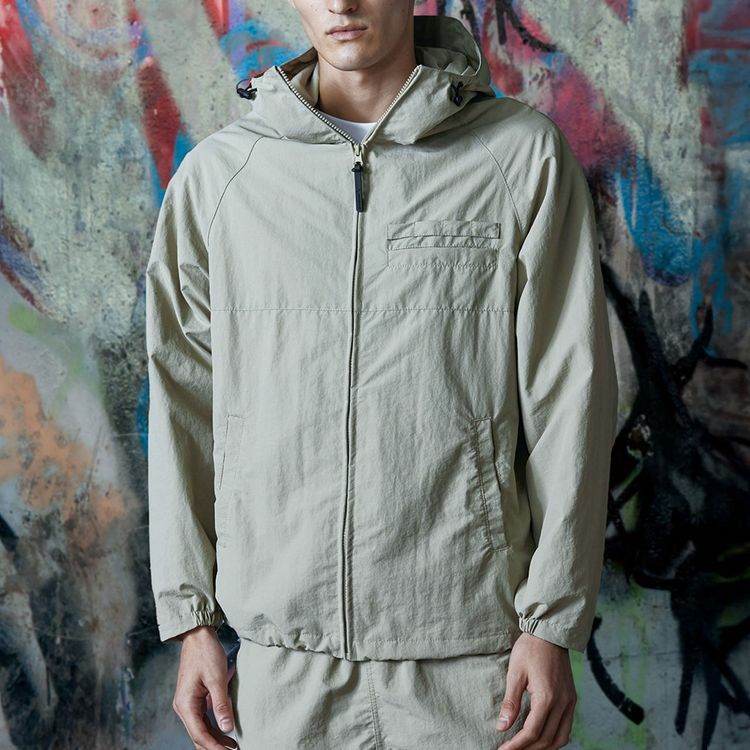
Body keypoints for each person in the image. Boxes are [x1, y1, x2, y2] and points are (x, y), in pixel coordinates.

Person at [145, 2, 619, 749]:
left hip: (474, 664)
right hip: (283, 666)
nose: (341, 3)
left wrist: (552, 623)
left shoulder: (517, 157)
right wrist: (191, 620)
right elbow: (182, 404)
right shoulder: (220, 179)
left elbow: (571, 398)